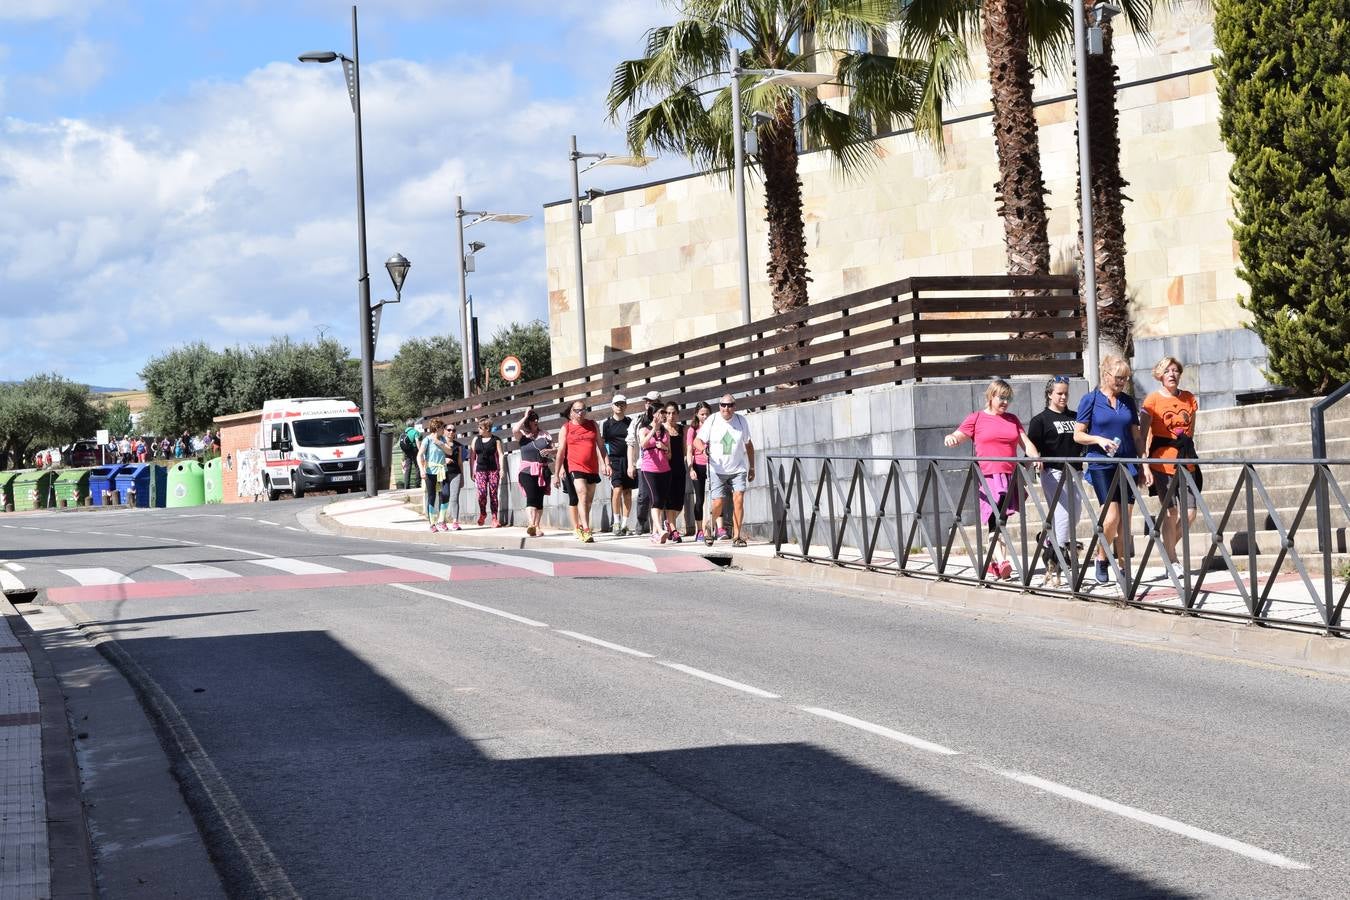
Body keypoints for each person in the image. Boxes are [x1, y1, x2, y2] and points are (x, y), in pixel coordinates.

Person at [944, 379, 1042, 581]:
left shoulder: (1012, 419)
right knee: (995, 520)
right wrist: (951, 438)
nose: (1005, 402)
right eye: (1001, 397)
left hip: (1009, 476)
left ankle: (995, 563)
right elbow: (959, 434)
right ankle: (1003, 561)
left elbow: (1026, 444)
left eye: (1008, 398)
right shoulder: (977, 418)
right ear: (991, 396)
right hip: (988, 477)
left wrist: (1035, 457)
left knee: (1000, 521)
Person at [1074, 355, 1153, 585]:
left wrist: (1143, 464)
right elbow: (1078, 434)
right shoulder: (1090, 400)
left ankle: (1123, 565)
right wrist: (1098, 439)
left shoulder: (1127, 401)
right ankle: (1101, 558)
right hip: (1101, 463)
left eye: (1125, 378)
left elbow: (1137, 436)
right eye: (1118, 378)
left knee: (1126, 520)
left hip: (1127, 462)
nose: (1121, 382)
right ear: (1106, 375)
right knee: (1111, 517)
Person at [1143, 356, 1201, 580]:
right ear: (1159, 374)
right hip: (1161, 461)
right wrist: (1145, 464)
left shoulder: (1188, 398)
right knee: (1171, 512)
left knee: (1190, 513)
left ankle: (1166, 550)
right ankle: (1173, 560)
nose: (1172, 374)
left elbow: (1191, 431)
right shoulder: (1152, 401)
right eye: (1167, 370)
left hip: (1186, 461)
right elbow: (1145, 434)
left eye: (1176, 370)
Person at [1027, 376, 1083, 584]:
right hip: (1053, 472)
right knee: (1062, 514)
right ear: (1049, 394)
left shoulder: (1076, 417)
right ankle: (1060, 561)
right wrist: (1031, 464)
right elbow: (1031, 447)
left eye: (1066, 393)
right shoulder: (1040, 420)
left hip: (1075, 472)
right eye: (1059, 393)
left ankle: (1051, 543)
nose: (1063, 397)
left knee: (1075, 515)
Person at [694, 393, 756, 548]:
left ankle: (737, 536)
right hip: (717, 469)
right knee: (718, 503)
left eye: (729, 405)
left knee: (739, 500)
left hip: (738, 469)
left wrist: (752, 466)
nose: (726, 408)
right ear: (719, 406)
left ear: (734, 407)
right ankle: (709, 525)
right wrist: (703, 450)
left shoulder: (741, 421)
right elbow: (697, 441)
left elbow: (748, 444)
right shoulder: (713, 419)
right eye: (723, 405)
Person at [559, 400, 610, 542]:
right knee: (582, 494)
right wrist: (558, 472)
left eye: (583, 410)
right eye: (577, 410)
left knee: (588, 501)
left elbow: (601, 445)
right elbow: (561, 452)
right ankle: (587, 530)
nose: (580, 413)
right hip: (575, 466)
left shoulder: (593, 425)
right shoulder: (566, 428)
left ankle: (581, 525)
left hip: (592, 467)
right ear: (571, 412)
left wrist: (606, 463)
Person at [513, 408, 555, 538]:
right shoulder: (522, 436)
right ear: (527, 422)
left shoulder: (545, 435)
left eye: (536, 418)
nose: (535, 421)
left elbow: (555, 450)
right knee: (531, 497)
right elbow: (514, 429)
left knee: (539, 499)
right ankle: (531, 524)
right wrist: (525, 416)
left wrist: (550, 452)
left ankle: (537, 526)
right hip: (527, 471)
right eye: (532, 419)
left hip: (543, 470)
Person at [638, 405, 675, 544]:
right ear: (653, 414)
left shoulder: (666, 432)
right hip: (649, 469)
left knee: (660, 502)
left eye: (664, 412)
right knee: (655, 500)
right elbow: (642, 444)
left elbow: (670, 454)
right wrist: (654, 429)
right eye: (661, 412)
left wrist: (664, 447)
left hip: (665, 469)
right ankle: (660, 530)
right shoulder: (644, 429)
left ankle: (654, 534)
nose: (663, 414)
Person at [627, 390, 661, 535]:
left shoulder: (664, 419)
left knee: (660, 495)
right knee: (643, 495)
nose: (648, 404)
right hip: (643, 463)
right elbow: (631, 443)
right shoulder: (638, 421)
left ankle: (659, 525)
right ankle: (641, 521)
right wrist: (630, 464)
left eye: (651, 401)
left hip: (661, 463)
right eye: (646, 401)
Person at [602, 394, 634, 535]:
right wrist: (606, 463)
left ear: (626, 406)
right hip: (614, 460)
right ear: (612, 406)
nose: (619, 406)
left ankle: (625, 525)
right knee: (617, 489)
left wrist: (633, 463)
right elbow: (603, 445)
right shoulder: (607, 424)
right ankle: (616, 522)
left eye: (622, 404)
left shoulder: (630, 422)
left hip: (628, 460)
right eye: (617, 404)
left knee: (627, 492)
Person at [417, 418, 455, 532]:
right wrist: (421, 470)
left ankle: (441, 520)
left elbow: (450, 451)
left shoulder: (442, 439)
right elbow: (419, 456)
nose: (444, 430)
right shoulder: (427, 440)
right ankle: (432, 523)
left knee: (446, 494)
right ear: (437, 428)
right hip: (430, 472)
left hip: (442, 470)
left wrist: (439, 443)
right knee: (432, 497)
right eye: (443, 428)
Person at [469, 416, 504, 527]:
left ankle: (494, 518)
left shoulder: (496, 440)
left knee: (493, 494)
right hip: (480, 471)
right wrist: (471, 471)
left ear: (487, 428)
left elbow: (501, 455)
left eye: (480, 427)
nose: (478, 429)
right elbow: (472, 456)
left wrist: (502, 469)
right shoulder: (476, 439)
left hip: (493, 470)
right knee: (482, 494)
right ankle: (483, 513)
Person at [686, 401, 713, 543]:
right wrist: (690, 468)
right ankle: (699, 530)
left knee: (716, 497)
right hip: (698, 465)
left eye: (707, 414)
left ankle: (718, 528)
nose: (705, 416)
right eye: (702, 414)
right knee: (700, 499)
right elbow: (689, 450)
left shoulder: (714, 427)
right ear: (697, 414)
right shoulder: (693, 429)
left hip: (713, 465)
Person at [664, 402, 687, 539]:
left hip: (679, 466)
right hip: (666, 467)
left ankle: (668, 522)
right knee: (670, 499)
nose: (671, 416)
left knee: (679, 502)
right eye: (668, 413)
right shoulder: (662, 429)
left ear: (678, 414)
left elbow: (685, 449)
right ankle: (673, 529)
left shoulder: (681, 429)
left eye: (673, 413)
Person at [399, 419, 421, 490]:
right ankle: (417, 484)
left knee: (408, 468)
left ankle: (406, 486)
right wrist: (420, 451)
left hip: (407, 452)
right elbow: (417, 441)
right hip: (414, 450)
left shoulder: (404, 433)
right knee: (417, 466)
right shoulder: (415, 432)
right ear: (413, 424)